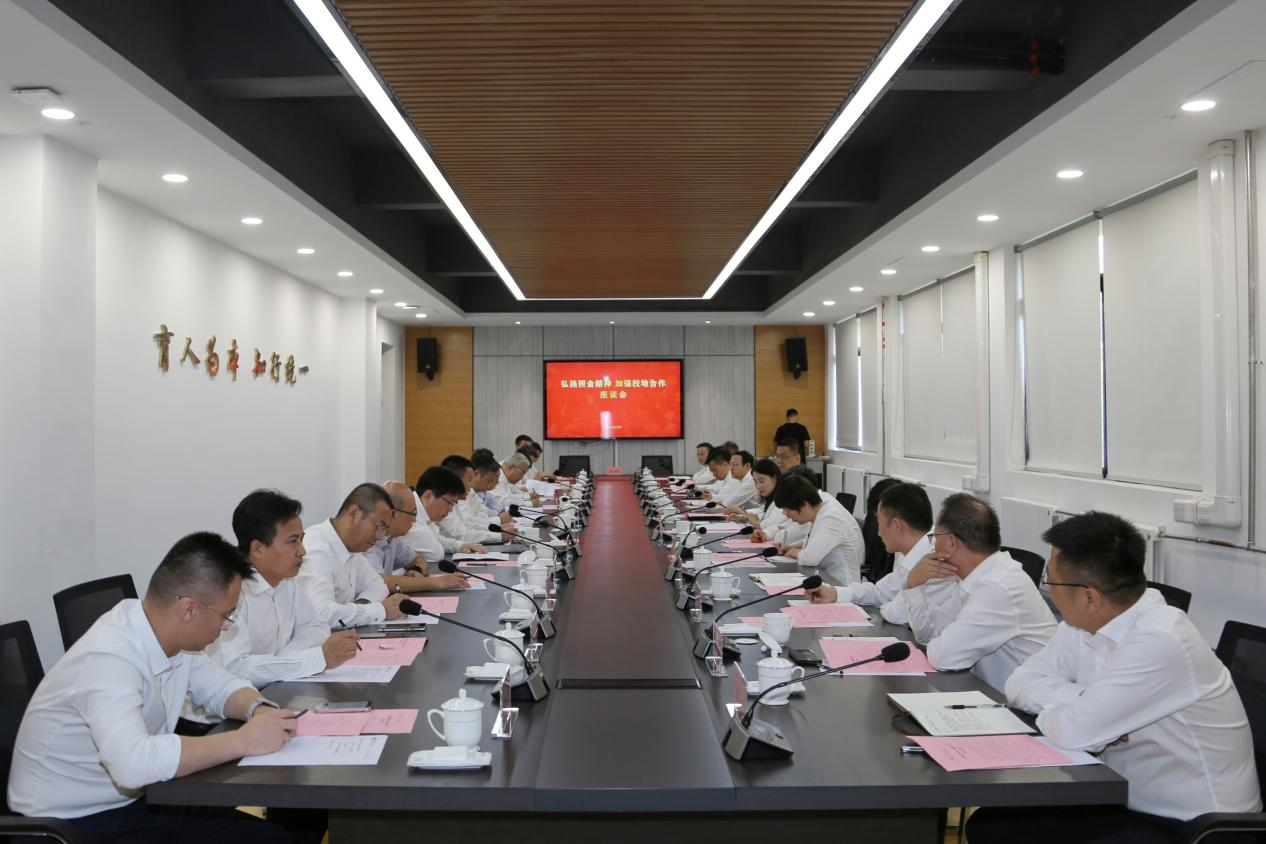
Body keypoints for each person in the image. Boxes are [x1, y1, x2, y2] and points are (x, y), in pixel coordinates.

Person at [967, 512, 1261, 844]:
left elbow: (1073, 732)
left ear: (1089, 596)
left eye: (1050, 579)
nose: (1046, 587)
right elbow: (1019, 683)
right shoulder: (1083, 625)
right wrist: (1084, 700)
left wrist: (1080, 715)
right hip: (1121, 795)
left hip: (1195, 826)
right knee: (991, 826)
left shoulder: (1161, 640)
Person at [7, 532, 298, 843]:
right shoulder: (109, 656)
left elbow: (219, 686)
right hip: (71, 824)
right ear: (189, 609)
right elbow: (132, 764)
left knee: (269, 836)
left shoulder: (167, 635)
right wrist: (242, 741)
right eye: (226, 615)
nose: (226, 626)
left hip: (138, 799)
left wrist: (258, 709)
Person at [900, 493, 1057, 691]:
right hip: (993, 693)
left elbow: (944, 657)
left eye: (934, 537)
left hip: (1025, 705)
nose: (932, 546)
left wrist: (943, 641)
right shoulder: (974, 579)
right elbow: (927, 635)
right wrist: (914, 584)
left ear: (951, 542)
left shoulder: (997, 585)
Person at [210, 489, 358, 687]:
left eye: (302, 539)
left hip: (276, 688)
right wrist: (315, 659)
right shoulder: (231, 590)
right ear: (258, 549)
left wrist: (284, 660)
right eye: (293, 541)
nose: (302, 551)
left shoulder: (286, 580)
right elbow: (237, 668)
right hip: (235, 702)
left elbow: (315, 626)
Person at [805, 482, 945, 625]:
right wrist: (835, 593)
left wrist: (890, 604)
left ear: (896, 525)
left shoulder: (936, 561)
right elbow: (881, 592)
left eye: (879, 523)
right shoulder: (910, 552)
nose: (878, 533)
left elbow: (895, 614)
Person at [297, 482, 408, 627]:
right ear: (354, 514)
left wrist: (360, 608)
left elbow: (378, 586)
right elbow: (321, 614)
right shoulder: (317, 550)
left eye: (383, 530)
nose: (379, 537)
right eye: (379, 526)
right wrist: (380, 610)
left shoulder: (351, 548)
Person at [375, 478, 471, 590]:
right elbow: (378, 582)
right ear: (394, 513)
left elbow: (418, 559)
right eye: (412, 513)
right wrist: (435, 582)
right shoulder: (370, 540)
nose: (414, 520)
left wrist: (416, 570)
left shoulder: (392, 538)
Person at [771, 474, 864, 587]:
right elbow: (817, 542)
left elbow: (809, 558)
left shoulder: (831, 516)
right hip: (823, 577)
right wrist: (789, 547)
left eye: (788, 511)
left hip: (840, 585)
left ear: (804, 504)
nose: (788, 517)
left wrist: (796, 552)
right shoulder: (820, 506)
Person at [440, 454, 510, 545]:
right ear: (455, 480)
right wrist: (499, 535)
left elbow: (467, 524)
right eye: (469, 480)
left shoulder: (458, 497)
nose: (471, 485)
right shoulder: (443, 501)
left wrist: (496, 529)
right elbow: (462, 534)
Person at [727, 458, 787, 537]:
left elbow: (767, 524)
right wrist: (743, 517)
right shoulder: (770, 497)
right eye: (755, 482)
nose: (758, 486)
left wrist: (748, 517)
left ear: (774, 478)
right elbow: (760, 513)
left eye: (762, 481)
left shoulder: (782, 499)